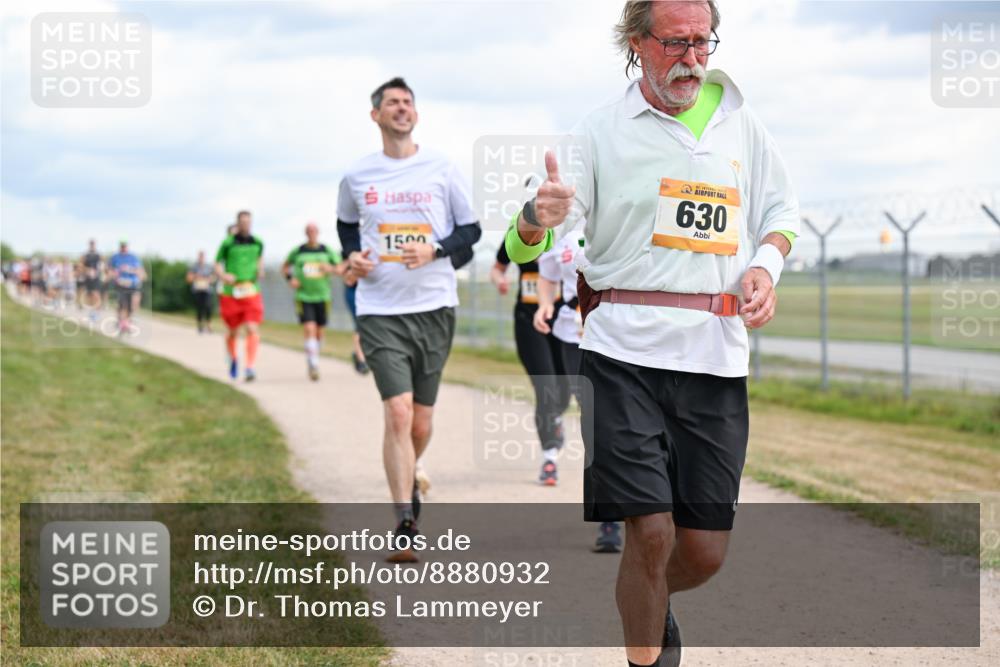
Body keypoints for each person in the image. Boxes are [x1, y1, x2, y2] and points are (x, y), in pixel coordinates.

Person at [505, 2, 800, 665]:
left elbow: (782, 208)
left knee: (703, 551)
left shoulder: (739, 122)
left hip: (716, 358)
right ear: (637, 43)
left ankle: (645, 600)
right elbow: (528, 240)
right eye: (676, 43)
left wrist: (764, 265)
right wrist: (533, 218)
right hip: (621, 354)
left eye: (704, 42)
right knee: (652, 533)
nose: (694, 58)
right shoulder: (597, 132)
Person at [337, 77, 481, 561]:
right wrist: (353, 256)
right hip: (380, 309)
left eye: (408, 103)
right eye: (392, 103)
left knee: (421, 421)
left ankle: (410, 474)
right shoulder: (357, 175)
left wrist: (435, 248)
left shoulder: (441, 167)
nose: (401, 109)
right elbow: (346, 228)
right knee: (397, 412)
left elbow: (472, 230)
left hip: (435, 307)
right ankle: (404, 523)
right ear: (375, 115)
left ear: (415, 115)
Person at [490, 243, 573, 487]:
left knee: (565, 391)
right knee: (545, 386)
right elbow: (496, 269)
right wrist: (500, 280)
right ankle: (550, 459)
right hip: (528, 322)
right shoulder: (520, 234)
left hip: (563, 323)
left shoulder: (567, 237)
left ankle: (555, 420)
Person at [281, 222, 343, 381]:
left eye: (314, 231)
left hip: (323, 296)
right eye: (309, 231)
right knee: (309, 328)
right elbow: (285, 267)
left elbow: (340, 268)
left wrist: (330, 268)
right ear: (305, 233)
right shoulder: (298, 251)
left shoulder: (326, 250)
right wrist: (290, 279)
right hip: (304, 296)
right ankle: (313, 364)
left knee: (320, 332)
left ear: (318, 233)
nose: (312, 233)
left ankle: (314, 353)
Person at [216, 211, 265, 382]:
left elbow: (260, 258)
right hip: (231, 293)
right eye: (242, 222)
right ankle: (233, 358)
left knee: (252, 327)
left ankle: (250, 367)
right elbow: (217, 264)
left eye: (248, 222)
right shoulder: (227, 243)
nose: (245, 224)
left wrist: (260, 269)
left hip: (251, 290)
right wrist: (223, 275)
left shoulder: (258, 242)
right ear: (237, 223)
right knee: (233, 331)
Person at [108, 240, 145, 335]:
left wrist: (134, 273)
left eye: (124, 246)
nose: (123, 248)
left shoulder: (133, 257)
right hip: (121, 284)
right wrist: (114, 277)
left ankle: (127, 321)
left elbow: (140, 271)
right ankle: (122, 323)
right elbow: (109, 270)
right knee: (122, 305)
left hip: (133, 284)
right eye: (122, 246)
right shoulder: (115, 257)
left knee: (133, 305)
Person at [187, 250, 216, 333]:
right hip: (198, 290)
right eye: (200, 256)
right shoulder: (194, 267)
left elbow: (213, 278)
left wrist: (209, 279)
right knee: (199, 308)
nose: (201, 258)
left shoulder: (209, 266)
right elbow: (189, 278)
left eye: (203, 256)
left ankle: (209, 325)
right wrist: (196, 277)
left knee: (208, 307)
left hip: (207, 290)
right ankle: (200, 325)